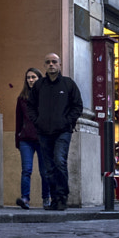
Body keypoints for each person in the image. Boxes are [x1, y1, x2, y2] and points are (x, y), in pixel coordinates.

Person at [31, 52, 85, 210]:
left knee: (59, 161)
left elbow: (78, 106)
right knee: (49, 168)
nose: (51, 65)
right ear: (44, 65)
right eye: (47, 62)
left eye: (54, 62)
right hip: (44, 132)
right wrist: (37, 121)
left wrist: (67, 122)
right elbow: (31, 106)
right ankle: (54, 199)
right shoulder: (39, 86)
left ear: (60, 64)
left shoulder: (68, 84)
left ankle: (62, 197)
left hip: (63, 131)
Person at [14, 68, 43, 208]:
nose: (30, 80)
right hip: (26, 139)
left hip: (43, 139)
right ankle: (25, 199)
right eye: (28, 77)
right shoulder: (22, 98)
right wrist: (17, 140)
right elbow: (18, 121)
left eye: (33, 77)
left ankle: (47, 199)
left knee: (45, 171)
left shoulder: (45, 96)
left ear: (39, 78)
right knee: (26, 170)